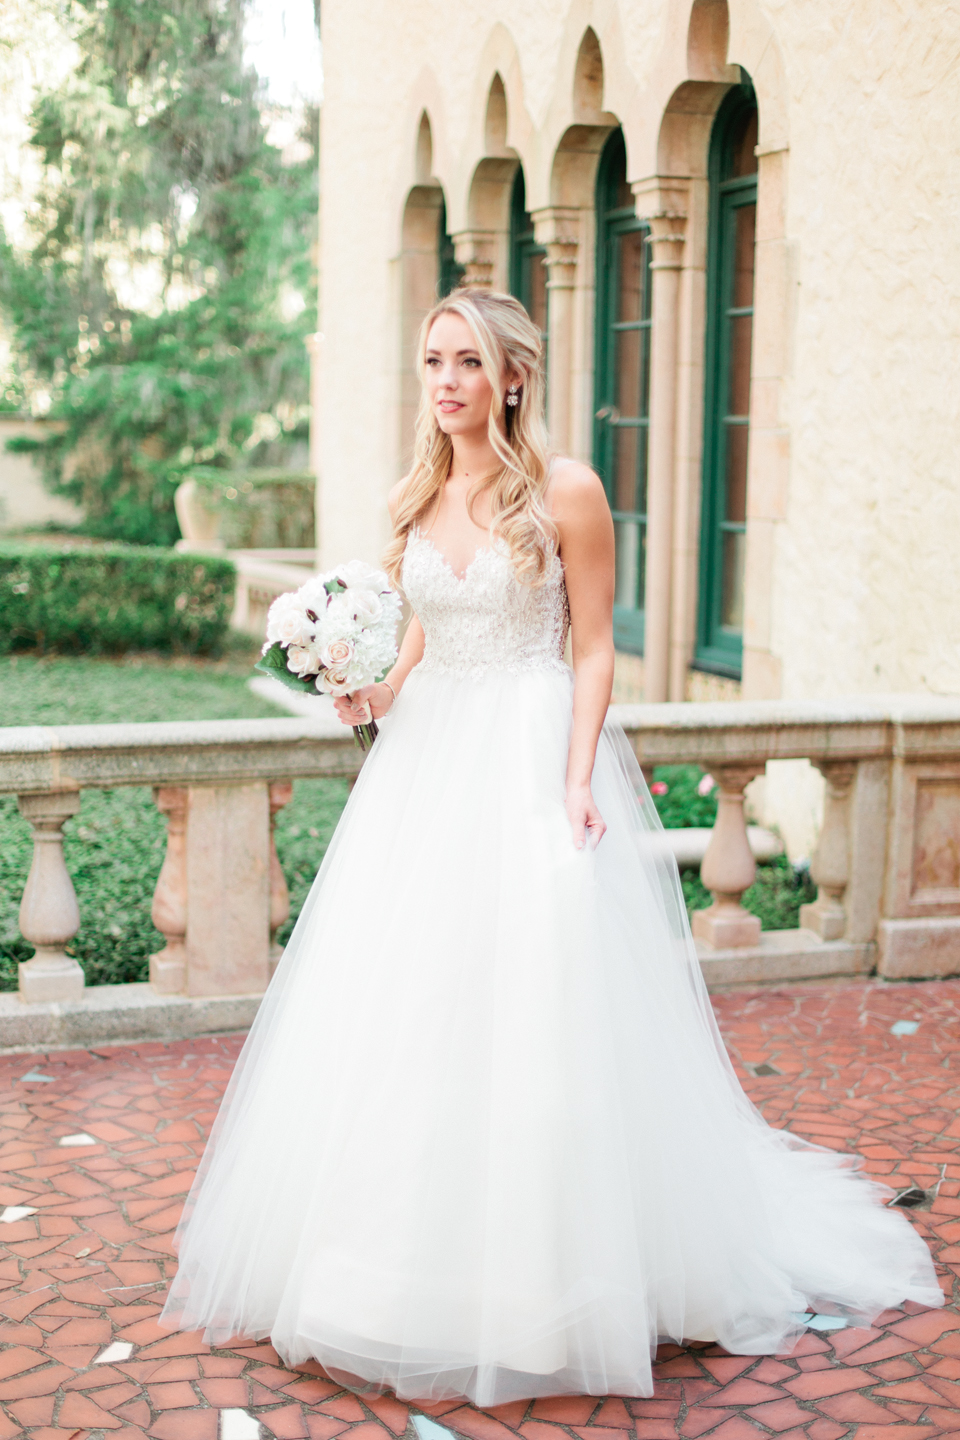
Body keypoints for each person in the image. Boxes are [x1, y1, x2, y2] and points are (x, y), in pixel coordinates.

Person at [160, 289, 941, 1405]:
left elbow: (591, 645)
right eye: (434, 359)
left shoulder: (565, 489)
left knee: (533, 1005)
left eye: (468, 361)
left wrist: (576, 778)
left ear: (512, 376)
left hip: (527, 757)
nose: (447, 380)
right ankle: (387, 1272)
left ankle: (551, 1281)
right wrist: (380, 683)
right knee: (413, 1003)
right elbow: (434, 616)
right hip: (426, 762)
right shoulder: (424, 492)